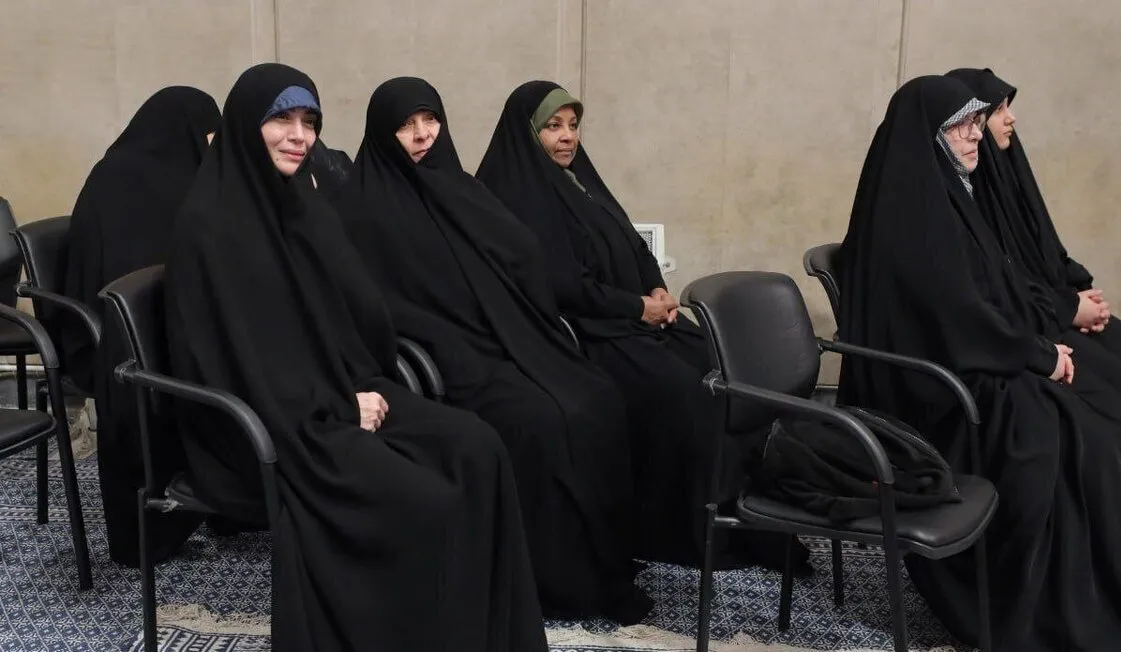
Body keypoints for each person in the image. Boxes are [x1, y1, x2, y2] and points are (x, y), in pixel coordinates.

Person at [165, 63, 548, 652]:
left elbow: (344, 314)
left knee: (479, 448)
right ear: (245, 125)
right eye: (282, 120)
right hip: (270, 420)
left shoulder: (297, 202)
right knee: (424, 500)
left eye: (310, 121)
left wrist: (352, 390)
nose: (300, 136)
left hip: (334, 389)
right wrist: (341, 406)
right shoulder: (211, 226)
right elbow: (236, 359)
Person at [835, 74, 1121, 651]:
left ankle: (1101, 597)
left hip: (969, 366)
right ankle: (1031, 608)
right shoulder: (911, 213)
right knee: (1069, 437)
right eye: (960, 126)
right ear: (927, 136)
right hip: (937, 394)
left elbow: (988, 298)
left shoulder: (950, 198)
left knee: (1101, 421)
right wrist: (1037, 355)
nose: (975, 135)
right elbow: (952, 316)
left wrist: (1037, 345)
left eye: (976, 122)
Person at [336, 76, 650, 623]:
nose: (423, 135)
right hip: (441, 355)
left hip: (507, 335)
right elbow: (372, 304)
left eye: (430, 120)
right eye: (407, 125)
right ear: (383, 132)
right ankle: (546, 578)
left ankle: (600, 561)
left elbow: (520, 255)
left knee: (596, 397)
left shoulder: (460, 188)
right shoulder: (360, 207)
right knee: (539, 420)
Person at [476, 81, 786, 570]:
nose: (567, 137)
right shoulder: (516, 195)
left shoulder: (581, 181)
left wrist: (657, 290)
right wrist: (636, 309)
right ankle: (679, 530)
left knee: (722, 366)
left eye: (573, 125)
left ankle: (746, 514)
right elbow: (564, 285)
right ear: (528, 133)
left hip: (633, 319)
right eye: (553, 127)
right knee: (686, 391)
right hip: (587, 334)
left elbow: (634, 245)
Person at [945, 67, 1121, 475]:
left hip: (1034, 315)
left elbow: (1039, 254)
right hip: (1022, 326)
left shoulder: (994, 179)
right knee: (1116, 407)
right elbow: (984, 292)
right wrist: (1065, 309)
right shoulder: (958, 198)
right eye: (995, 111)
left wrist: (1075, 295)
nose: (1008, 120)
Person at [62, 86, 220, 567]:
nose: (214, 146)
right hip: (119, 343)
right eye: (209, 135)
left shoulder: (178, 177)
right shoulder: (122, 181)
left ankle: (220, 496)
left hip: (153, 331)